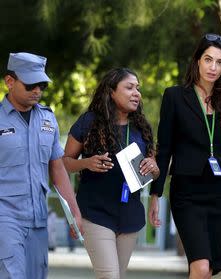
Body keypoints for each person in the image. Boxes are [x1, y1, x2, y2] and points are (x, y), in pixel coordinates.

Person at [149, 33, 221, 279]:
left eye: (220, 62)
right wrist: (155, 194)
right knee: (200, 267)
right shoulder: (175, 96)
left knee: (208, 269)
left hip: (218, 193)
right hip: (187, 193)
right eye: (208, 59)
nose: (213, 67)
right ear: (197, 61)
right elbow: (164, 148)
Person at [62, 68, 160, 279]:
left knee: (118, 276)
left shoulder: (141, 127)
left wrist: (154, 168)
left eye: (138, 88)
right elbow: (64, 163)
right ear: (111, 92)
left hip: (129, 215)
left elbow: (154, 168)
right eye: (129, 87)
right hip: (96, 213)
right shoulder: (89, 122)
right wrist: (87, 163)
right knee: (109, 276)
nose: (137, 93)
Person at [0, 52, 83, 279]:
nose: (37, 90)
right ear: (10, 82)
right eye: (30, 85)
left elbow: (57, 170)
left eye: (42, 85)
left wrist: (74, 213)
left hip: (38, 218)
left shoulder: (48, 119)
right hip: (5, 217)